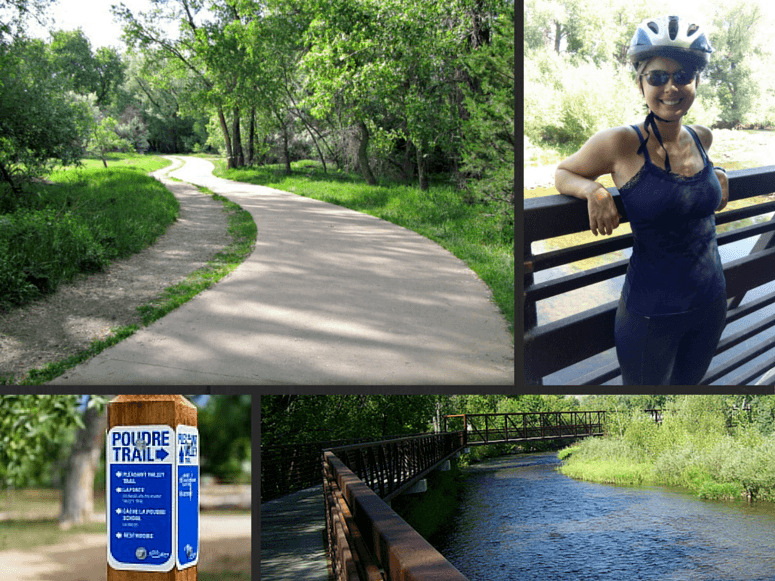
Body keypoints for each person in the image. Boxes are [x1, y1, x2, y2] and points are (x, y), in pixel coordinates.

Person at [554, 15, 729, 385]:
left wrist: (718, 176)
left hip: (712, 302)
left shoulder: (703, 138)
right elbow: (563, 172)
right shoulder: (619, 143)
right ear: (640, 84)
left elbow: (696, 186)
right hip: (651, 315)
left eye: (682, 75)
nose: (670, 87)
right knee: (645, 406)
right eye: (657, 77)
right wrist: (593, 190)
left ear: (696, 82)